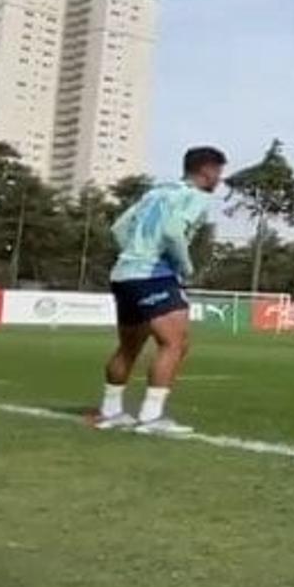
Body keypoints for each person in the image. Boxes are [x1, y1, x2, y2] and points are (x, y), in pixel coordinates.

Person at [94, 146, 227, 436]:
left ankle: (111, 411)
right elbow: (171, 232)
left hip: (124, 274)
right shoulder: (195, 197)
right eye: (218, 172)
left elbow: (118, 228)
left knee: (129, 347)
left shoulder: (155, 193)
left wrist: (134, 254)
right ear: (207, 171)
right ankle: (151, 417)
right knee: (175, 344)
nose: (219, 178)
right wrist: (185, 266)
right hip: (154, 275)